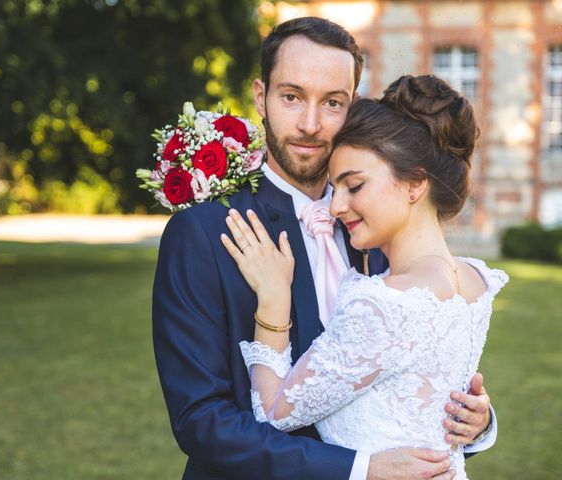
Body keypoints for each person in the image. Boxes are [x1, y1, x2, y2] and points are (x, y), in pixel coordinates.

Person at [153, 17, 495, 480]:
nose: (310, 124)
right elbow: (201, 421)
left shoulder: (377, 232)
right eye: (291, 96)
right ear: (261, 97)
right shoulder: (204, 233)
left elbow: (406, 393)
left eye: (332, 103)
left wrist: (475, 424)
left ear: (352, 106)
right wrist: (357, 470)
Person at [220, 73, 507, 480]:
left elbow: (273, 413)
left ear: (414, 184)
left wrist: (273, 299)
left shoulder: (385, 303)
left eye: (354, 186)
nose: (335, 206)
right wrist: (478, 421)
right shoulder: (476, 283)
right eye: (335, 188)